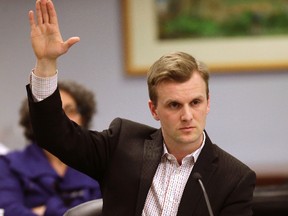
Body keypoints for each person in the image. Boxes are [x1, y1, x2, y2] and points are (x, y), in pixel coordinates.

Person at [26, 0, 256, 215]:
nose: (187, 116)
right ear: (154, 110)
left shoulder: (233, 178)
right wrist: (46, 63)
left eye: (195, 102)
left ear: (208, 103)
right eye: (174, 105)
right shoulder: (122, 147)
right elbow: (54, 135)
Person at [0, 81, 102, 216]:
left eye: (70, 110)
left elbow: (107, 210)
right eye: (52, 111)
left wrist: (45, 211)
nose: (62, 118)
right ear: (33, 119)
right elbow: (10, 212)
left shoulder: (98, 163)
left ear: (82, 118)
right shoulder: (9, 164)